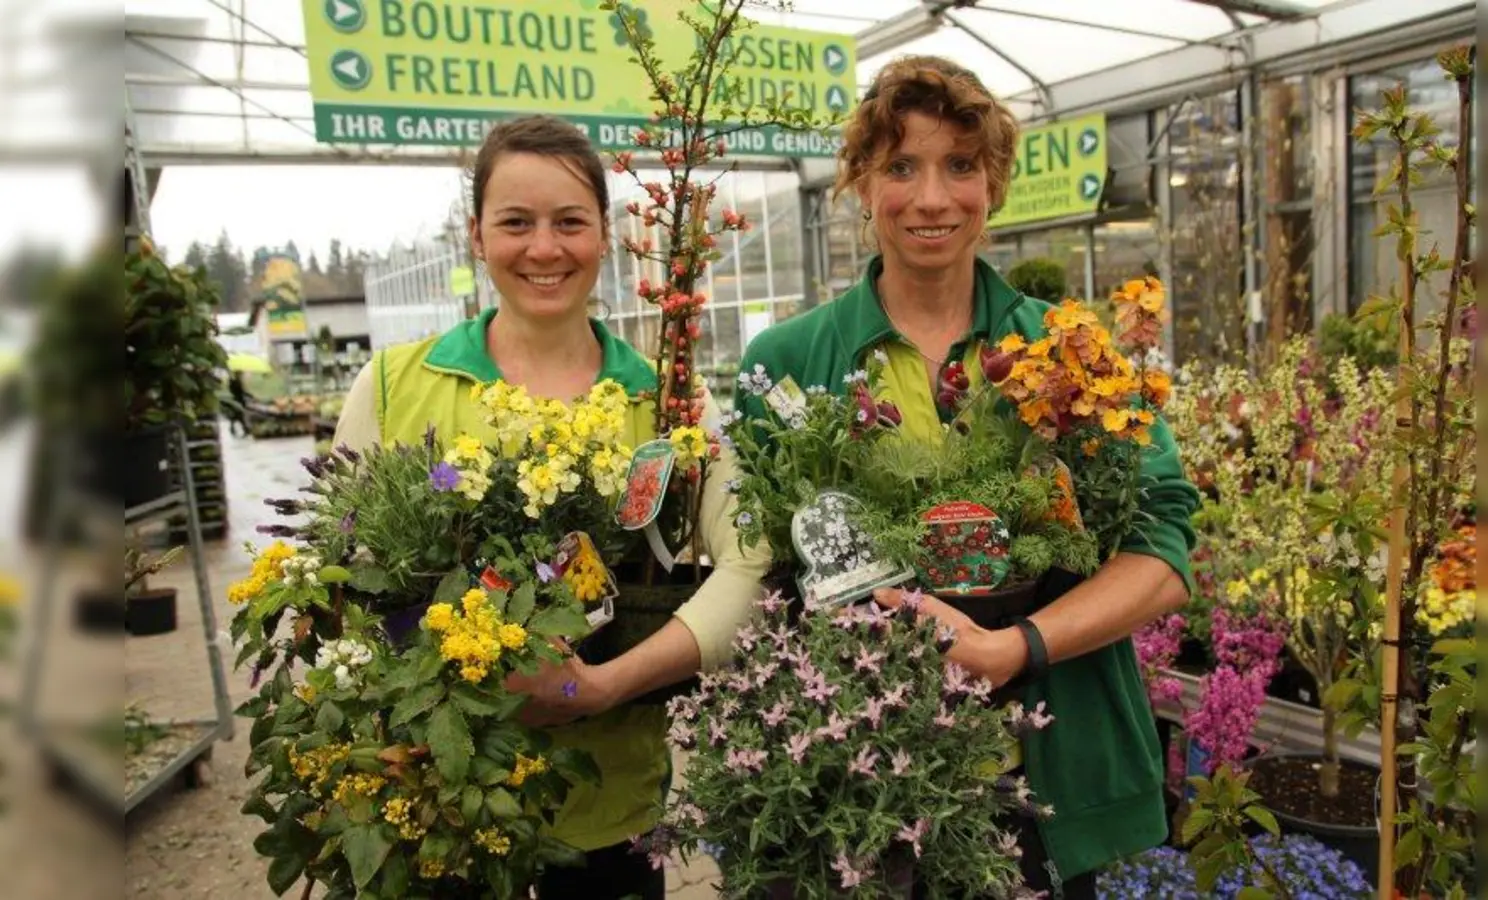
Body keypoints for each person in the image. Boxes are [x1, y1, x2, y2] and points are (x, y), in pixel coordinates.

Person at [734, 58, 1200, 899]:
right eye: (900, 167)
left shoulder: (1068, 353)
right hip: (857, 780)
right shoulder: (787, 362)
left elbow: (1163, 549)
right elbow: (764, 572)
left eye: (959, 164)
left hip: (1035, 777)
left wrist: (1016, 647)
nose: (931, 198)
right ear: (861, 183)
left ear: (994, 183)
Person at [334, 114, 770, 900]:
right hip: (442, 804)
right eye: (515, 223)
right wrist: (442, 685)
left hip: (609, 806)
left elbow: (749, 560)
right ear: (475, 235)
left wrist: (602, 685)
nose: (544, 248)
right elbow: (339, 573)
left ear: (605, 235)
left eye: (570, 222)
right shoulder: (397, 385)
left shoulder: (669, 400)